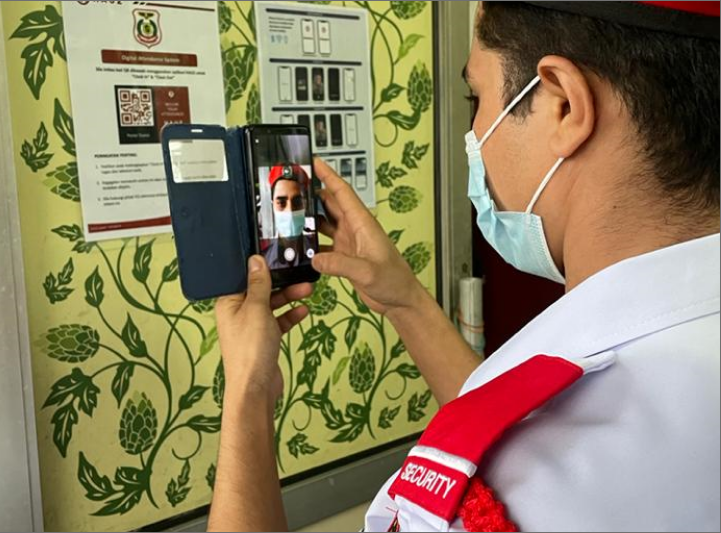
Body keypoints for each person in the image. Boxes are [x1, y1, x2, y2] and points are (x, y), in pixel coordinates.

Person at [208, 2, 720, 531]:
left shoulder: (511, 500)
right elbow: (506, 423)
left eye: (476, 97)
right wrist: (406, 301)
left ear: (564, 105)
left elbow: (512, 459)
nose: (475, 133)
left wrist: (248, 390)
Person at [262, 164, 317, 269]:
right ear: (272, 206)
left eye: (297, 202)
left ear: (305, 205)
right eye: (281, 203)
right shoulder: (262, 258)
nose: (290, 211)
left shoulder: (317, 251)